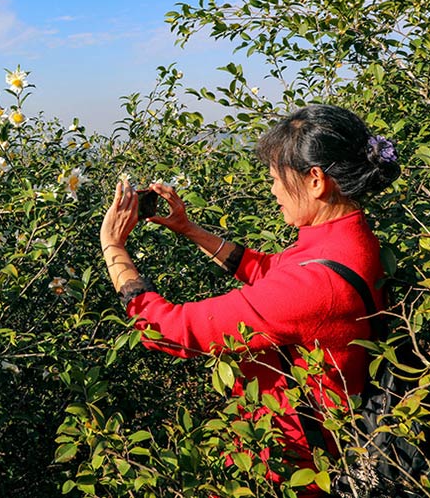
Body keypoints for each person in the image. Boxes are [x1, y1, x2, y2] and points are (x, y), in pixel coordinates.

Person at [99, 104, 401, 494]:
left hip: (294, 469)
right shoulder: (349, 237)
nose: (273, 190)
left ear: (315, 180)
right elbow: (273, 270)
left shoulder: (316, 284)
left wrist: (113, 247)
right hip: (321, 439)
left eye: (277, 178)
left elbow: (170, 330)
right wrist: (189, 229)